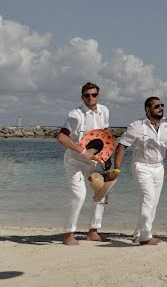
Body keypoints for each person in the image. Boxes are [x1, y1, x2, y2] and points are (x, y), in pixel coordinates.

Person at [114, 96, 167, 245]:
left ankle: (139, 232)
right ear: (148, 110)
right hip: (142, 166)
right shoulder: (136, 126)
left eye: (162, 105)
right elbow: (121, 146)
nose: (161, 108)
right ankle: (145, 237)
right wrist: (116, 168)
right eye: (157, 106)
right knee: (148, 199)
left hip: (159, 167)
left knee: (152, 202)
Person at [57, 82, 111, 245]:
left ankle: (93, 231)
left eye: (93, 95)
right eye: (87, 95)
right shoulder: (76, 115)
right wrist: (83, 152)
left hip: (95, 162)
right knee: (79, 195)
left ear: (98, 96)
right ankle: (68, 234)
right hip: (75, 161)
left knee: (102, 192)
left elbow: (106, 134)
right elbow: (61, 138)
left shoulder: (104, 111)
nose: (90, 98)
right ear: (82, 97)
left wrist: (107, 156)